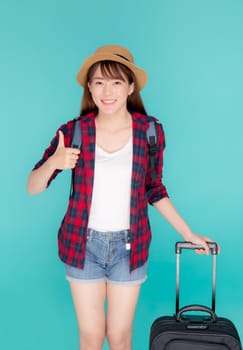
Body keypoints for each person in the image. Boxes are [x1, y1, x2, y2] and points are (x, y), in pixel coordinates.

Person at [27, 45, 218, 350]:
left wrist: (188, 233)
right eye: (99, 82)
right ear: (89, 88)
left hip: (130, 246)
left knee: (119, 337)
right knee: (90, 337)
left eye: (116, 82)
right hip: (82, 244)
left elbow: (154, 189)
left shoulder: (150, 132)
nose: (107, 91)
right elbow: (33, 187)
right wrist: (53, 163)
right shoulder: (74, 132)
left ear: (130, 87)